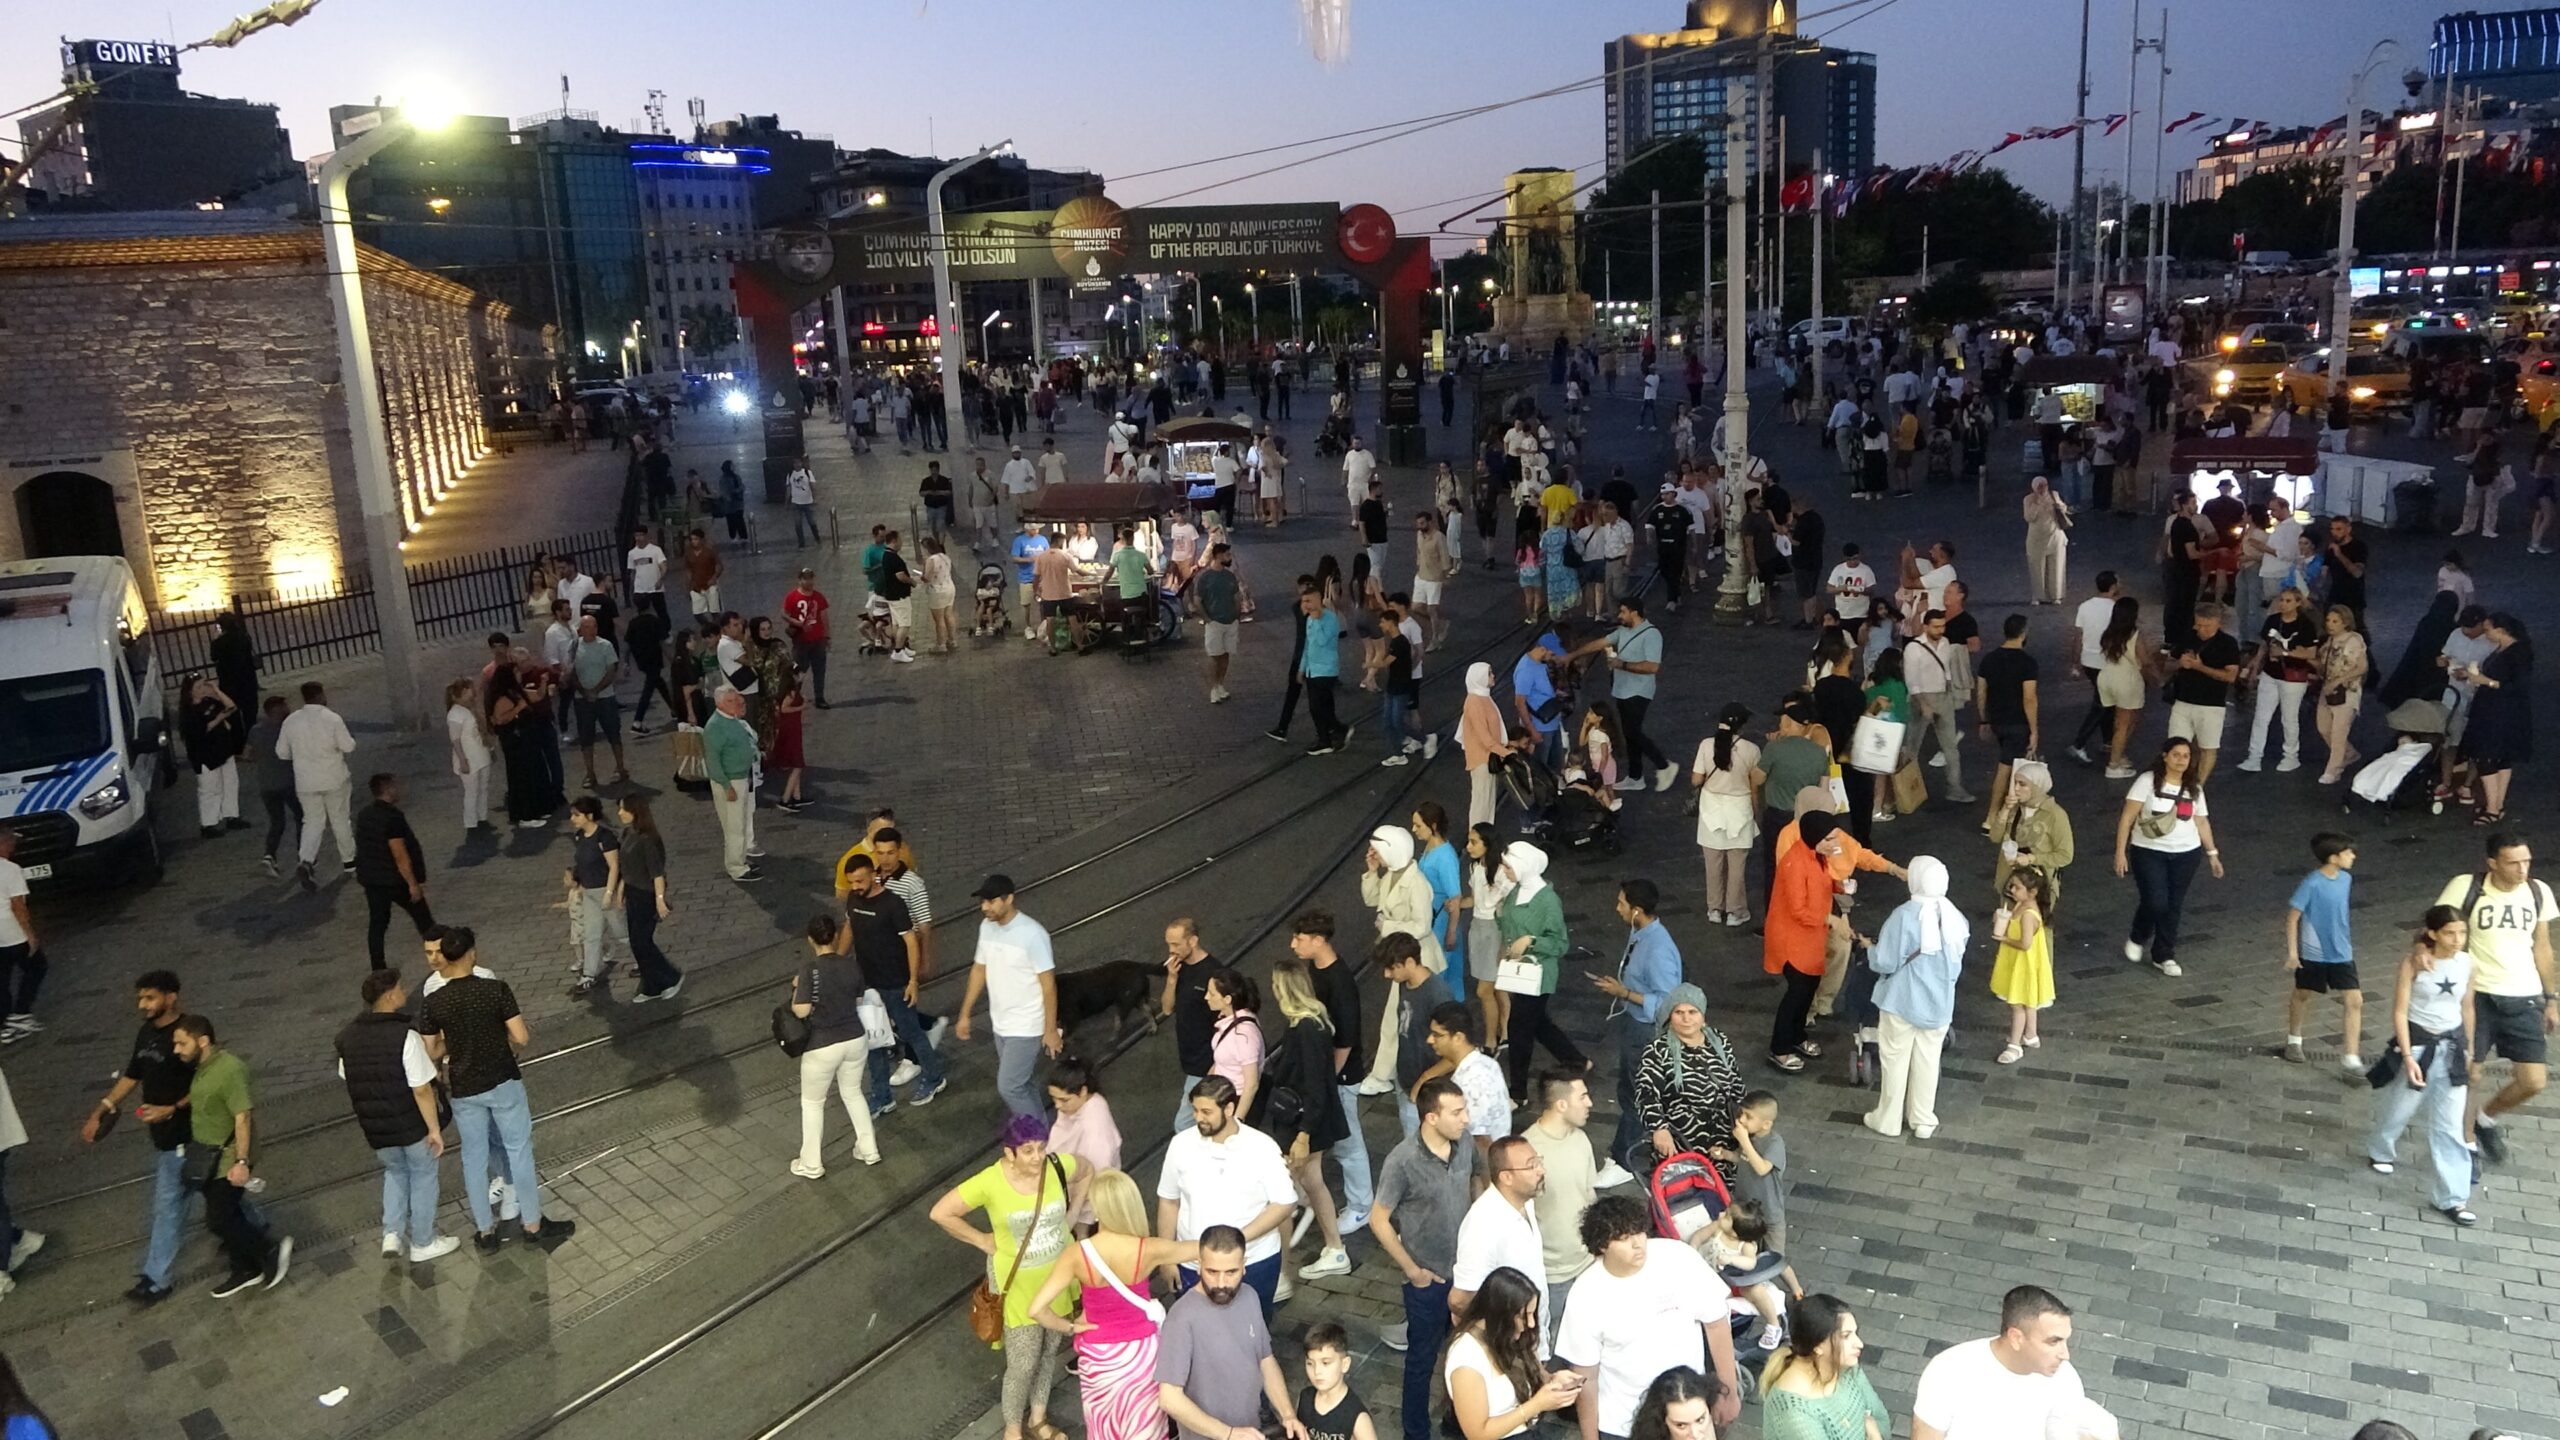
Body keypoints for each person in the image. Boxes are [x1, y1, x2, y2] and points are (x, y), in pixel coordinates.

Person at [416, 927, 574, 1251]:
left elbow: (430, 1050)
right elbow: (522, 1037)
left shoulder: (434, 1001)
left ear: (445, 957)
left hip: (464, 1086)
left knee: (474, 1159)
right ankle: (532, 1224)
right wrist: (492, 1035)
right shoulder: (496, 989)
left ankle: (486, 1233)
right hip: (502, 1080)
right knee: (519, 1151)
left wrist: (456, 1040)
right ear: (472, 953)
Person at [931, 1114, 1081, 1440]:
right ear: (1009, 1154)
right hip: (1018, 1288)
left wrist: (1071, 1216)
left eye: (1041, 1148)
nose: (1037, 1157)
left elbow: (1087, 1172)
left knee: (1047, 1353)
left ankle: (1038, 1419)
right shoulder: (990, 1181)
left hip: (1058, 1279)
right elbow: (941, 1212)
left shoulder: (1056, 1167)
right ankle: (1012, 1430)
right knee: (1023, 1363)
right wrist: (983, 1240)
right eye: (1028, 1151)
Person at [1554, 1195, 1742, 1439]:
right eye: (1623, 1239)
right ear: (1601, 1246)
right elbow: (1586, 1376)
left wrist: (1728, 1394)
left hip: (1688, 1410)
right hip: (1622, 1423)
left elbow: (1717, 1324)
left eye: (1639, 1232)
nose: (1637, 1244)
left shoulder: (1679, 1258)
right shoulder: (1585, 1294)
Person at [1027, 1169, 1195, 1440]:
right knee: (1146, 1430)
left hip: (1098, 1358)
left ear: (1098, 1208)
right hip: (1142, 1358)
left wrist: (1070, 1326)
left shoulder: (1077, 1253)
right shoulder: (1148, 1248)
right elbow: (1207, 1249)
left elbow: (1036, 1310)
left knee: (1104, 1428)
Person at [2436, 833, 2558, 1169]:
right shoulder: (2466, 886)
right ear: (2493, 863)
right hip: (2479, 995)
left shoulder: (2538, 891)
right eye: (2513, 863)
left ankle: (2484, 1118)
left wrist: (2551, 998)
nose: (2522, 869)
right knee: (2471, 1073)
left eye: (2527, 861)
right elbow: (2436, 928)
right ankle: (2466, 1144)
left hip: (2524, 995)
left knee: (2533, 1081)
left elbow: (2543, 947)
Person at [1371, 1077, 1486, 1430]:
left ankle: (1459, 1419)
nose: (1465, 1118)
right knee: (1422, 1360)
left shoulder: (1463, 1142)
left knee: (1470, 1353)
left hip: (1469, 1272)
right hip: (1429, 1280)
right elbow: (1379, 1219)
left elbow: (1478, 1178)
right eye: (1457, 1112)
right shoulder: (1402, 1161)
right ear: (1431, 1118)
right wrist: (1413, 1270)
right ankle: (1415, 1431)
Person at [77, 971, 195, 1304]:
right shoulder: (146, 1033)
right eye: (141, 998)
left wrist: (171, 1108)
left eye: (150, 998)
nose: (142, 1005)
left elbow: (206, 1083)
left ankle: (157, 1280)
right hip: (166, 1138)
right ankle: (255, 1232)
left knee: (167, 1206)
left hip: (190, 1136)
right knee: (222, 1194)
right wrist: (103, 1108)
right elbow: (133, 1075)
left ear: (171, 997)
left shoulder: (188, 1034)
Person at [2368, 905, 2481, 1226]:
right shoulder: (2413, 964)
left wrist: (2470, 1048)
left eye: (2462, 932)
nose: (2457, 939)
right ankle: (2381, 1148)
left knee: (2449, 1126)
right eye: (2450, 932)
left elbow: (2467, 1007)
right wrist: (2406, 1055)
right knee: (2400, 1107)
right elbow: (2400, 1011)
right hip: (2418, 1045)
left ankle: (2452, 1199)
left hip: (2452, 1047)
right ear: (2432, 934)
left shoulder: (2467, 963)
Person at [334, 967, 455, 1263]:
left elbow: (347, 1076)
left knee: (395, 1173)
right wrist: (434, 1130)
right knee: (423, 1175)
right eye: (400, 988)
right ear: (389, 996)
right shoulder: (405, 1036)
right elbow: (421, 1089)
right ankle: (423, 1242)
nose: (404, 992)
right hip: (409, 1123)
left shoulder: (346, 1037)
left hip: (375, 1127)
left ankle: (392, 1233)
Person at [1156, 1077, 1297, 1318]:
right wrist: (1167, 1258)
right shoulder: (1181, 1145)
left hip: (1254, 1261)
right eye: (1196, 1110)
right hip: (1192, 1261)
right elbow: (1169, 1201)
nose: (1198, 1117)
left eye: (1207, 1112)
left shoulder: (1261, 1147)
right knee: (1198, 1331)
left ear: (1229, 1109)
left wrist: (1238, 1239)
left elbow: (1284, 1202)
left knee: (1252, 1330)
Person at [171, 1016, 293, 1297]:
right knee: (230, 1213)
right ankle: (245, 1269)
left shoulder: (229, 1069)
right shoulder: (202, 1067)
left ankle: (269, 1249)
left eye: (181, 1043)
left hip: (227, 1159)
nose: (177, 1049)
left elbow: (243, 1116)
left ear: (203, 1041)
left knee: (219, 1219)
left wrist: (240, 1162)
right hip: (208, 1159)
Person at [1153, 1225, 1309, 1440]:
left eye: (1231, 1272)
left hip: (1249, 1431)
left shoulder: (1250, 1297)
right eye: (1212, 1272)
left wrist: (1287, 1414)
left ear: (1244, 1266)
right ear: (1199, 1266)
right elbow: (1169, 1398)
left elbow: (1265, 1360)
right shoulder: (1181, 1318)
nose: (1221, 1284)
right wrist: (1227, 1434)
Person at [1256, 957, 1354, 1282]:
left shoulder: (1307, 1028)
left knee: (1281, 1194)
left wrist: (1303, 1134)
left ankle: (1282, 1272)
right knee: (1313, 1181)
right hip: (1310, 1121)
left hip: (1303, 1124)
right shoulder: (1308, 1022)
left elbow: (1315, 1084)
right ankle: (1334, 1248)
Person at [1863, 856, 1966, 1137]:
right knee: (1928, 1062)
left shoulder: (1904, 916)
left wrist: (1869, 949)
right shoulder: (1956, 918)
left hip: (1901, 1001)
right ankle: (1922, 1120)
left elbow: (1885, 962)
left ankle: (1888, 1119)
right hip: (1940, 1005)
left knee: (1895, 1061)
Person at [1908, 1285, 2086, 1440]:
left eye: (2065, 1341)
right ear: (2016, 1338)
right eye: (2053, 1341)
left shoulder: (2066, 1379)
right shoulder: (1950, 1369)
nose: (2065, 1354)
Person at [2114, 738, 2223, 978]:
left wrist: (2212, 854)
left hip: (2186, 853)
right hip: (2149, 851)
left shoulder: (2194, 787)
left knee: (2173, 904)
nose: (2181, 760)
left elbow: (2201, 820)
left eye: (2185, 756)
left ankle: (2164, 954)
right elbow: (2127, 817)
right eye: (2176, 754)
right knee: (2156, 900)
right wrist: (2120, 852)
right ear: (2165, 756)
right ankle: (2139, 934)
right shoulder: (2147, 781)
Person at [957, 875, 1060, 1119]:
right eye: (983, 902)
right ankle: (1038, 1135)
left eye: (991, 902)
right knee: (1022, 1085)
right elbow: (979, 969)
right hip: (1001, 1024)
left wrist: (1050, 1030)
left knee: (1010, 1086)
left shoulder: (1033, 935)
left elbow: (1048, 986)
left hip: (1026, 1026)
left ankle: (1035, 1141)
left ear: (1009, 899)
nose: (985, 908)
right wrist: (964, 1013)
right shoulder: (987, 927)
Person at [787, 915, 882, 1176]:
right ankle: (868, 1148)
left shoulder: (809, 970)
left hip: (822, 1045)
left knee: (813, 1103)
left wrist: (798, 989)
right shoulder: (851, 965)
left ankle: (811, 1163)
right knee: (853, 1093)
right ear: (836, 936)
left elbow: (802, 1011)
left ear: (810, 940)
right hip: (855, 1038)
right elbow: (860, 1000)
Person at [1448, 1266, 1582, 1440]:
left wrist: (1552, 1381)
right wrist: (1537, 1405)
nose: (1531, 1323)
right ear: (1500, 1314)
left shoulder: (1514, 1338)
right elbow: (1477, 1434)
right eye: (1524, 1315)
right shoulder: (1466, 1360)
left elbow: (1533, 1377)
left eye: (1532, 1314)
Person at [1495, 842, 1584, 1099]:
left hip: (1538, 975)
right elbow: (1509, 927)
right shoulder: (1515, 892)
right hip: (1519, 973)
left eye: (1508, 866)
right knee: (1539, 1024)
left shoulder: (1547, 900)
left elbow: (1559, 943)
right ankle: (1577, 1060)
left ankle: (1518, 1092)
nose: (1504, 870)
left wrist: (1531, 941)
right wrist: (1500, 913)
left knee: (1519, 1028)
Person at [2280, 832, 2367, 1073]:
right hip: (2314, 953)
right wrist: (2293, 953)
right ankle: (2294, 1039)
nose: (2353, 856)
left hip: (2342, 952)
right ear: (2333, 857)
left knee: (2355, 1000)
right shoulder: (2312, 883)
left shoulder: (2346, 879)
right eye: (2348, 852)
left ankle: (2351, 1056)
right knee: (2303, 994)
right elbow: (2292, 917)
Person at [1635, 983, 1746, 1170]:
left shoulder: (1719, 1041)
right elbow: (1646, 1094)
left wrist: (1747, 1120)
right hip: (1681, 1144)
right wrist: (1659, 1129)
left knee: (1723, 1194)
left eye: (1692, 1012)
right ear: (1670, 1016)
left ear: (1703, 1016)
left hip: (1722, 1141)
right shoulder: (1658, 1050)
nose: (1686, 1019)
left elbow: (1735, 1082)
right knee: (1688, 1196)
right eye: (1679, 1012)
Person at [1766, 812, 1843, 1069]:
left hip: (1809, 937)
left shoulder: (1816, 855)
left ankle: (1796, 1036)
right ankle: (1779, 1047)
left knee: (1808, 988)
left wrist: (1840, 887)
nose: (1835, 843)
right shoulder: (1795, 863)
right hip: (1791, 940)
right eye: (1830, 838)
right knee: (1797, 992)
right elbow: (1798, 909)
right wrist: (1829, 919)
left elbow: (1822, 884)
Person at [1760, 1295, 1892, 1440]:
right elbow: (1877, 1429)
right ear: (1818, 1345)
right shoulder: (1795, 1412)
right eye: (1846, 1336)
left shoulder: (1846, 1367)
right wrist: (1874, 1435)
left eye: (1855, 1333)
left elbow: (1882, 1420)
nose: (1859, 1343)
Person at [276, 681, 357, 890]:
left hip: (306, 782)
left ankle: (306, 860)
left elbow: (282, 753)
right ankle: (350, 863)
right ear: (321, 695)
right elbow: (348, 746)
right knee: (340, 820)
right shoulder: (332, 718)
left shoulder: (291, 721)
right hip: (333, 778)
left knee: (312, 822)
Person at [352, 773, 434, 972]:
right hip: (395, 880)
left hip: (372, 879)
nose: (399, 789)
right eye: (395, 786)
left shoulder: (364, 815)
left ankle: (378, 967)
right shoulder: (392, 817)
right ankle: (442, 957)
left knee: (378, 924)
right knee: (424, 921)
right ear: (388, 790)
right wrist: (413, 883)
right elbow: (399, 853)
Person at [2455, 612, 2532, 824]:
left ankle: (2492, 807)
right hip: (2496, 709)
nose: (2485, 633)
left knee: (2486, 755)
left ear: (2501, 630)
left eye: (2488, 629)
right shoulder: (2505, 649)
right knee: (2501, 758)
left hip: (2501, 711)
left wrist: (2484, 681)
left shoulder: (2518, 653)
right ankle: (2496, 805)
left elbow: (2517, 685)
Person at [1690, 704, 1763, 925]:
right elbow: (1755, 786)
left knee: (1713, 865)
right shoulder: (1752, 750)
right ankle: (1735, 911)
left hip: (1711, 811)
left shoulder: (1706, 745)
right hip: (1739, 811)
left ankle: (1714, 909)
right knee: (1737, 867)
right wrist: (1756, 811)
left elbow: (1696, 780)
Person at [2238, 586, 2320, 774]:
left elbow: (2310, 653)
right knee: (2261, 717)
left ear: (2298, 603)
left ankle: (2291, 756)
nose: (2283, 604)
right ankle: (2254, 756)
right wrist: (2254, 669)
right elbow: (2264, 647)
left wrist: (2284, 652)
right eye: (2282, 600)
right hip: (2270, 674)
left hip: (2294, 677)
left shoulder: (2305, 625)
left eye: (2288, 600)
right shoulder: (2272, 620)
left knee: (2289, 718)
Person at [2162, 603, 2242, 784]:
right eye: (2198, 625)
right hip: (2183, 701)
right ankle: (2175, 783)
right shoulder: (2188, 637)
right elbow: (2167, 665)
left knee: (2208, 747)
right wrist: (2179, 664)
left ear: (2218, 623)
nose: (2201, 630)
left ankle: (2198, 786)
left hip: (2211, 705)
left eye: (2207, 626)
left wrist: (2200, 667)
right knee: (2176, 744)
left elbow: (2230, 676)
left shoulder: (2228, 644)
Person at [702, 689, 761, 883]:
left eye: (736, 699)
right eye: (731, 700)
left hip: (740, 778)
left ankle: (741, 859)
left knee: (741, 823)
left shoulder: (731, 719)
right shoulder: (715, 727)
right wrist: (727, 787)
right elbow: (713, 762)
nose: (736, 703)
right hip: (730, 782)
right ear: (719, 704)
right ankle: (736, 868)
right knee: (734, 827)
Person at [178, 673, 246, 840]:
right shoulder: (188, 712)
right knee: (210, 790)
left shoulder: (209, 702)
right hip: (205, 755)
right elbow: (199, 731)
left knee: (230, 783)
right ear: (189, 691)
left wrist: (216, 690)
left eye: (203, 685)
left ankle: (232, 815)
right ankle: (208, 824)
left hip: (223, 750)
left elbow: (231, 707)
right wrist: (220, 718)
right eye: (198, 687)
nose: (202, 690)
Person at [2092, 597, 2153, 779]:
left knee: (2124, 721)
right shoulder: (2134, 634)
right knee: (2124, 724)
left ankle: (2119, 755)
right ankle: (2113, 764)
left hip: (2107, 677)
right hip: (2127, 680)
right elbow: (2145, 660)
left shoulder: (2109, 633)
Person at [2313, 603, 2369, 785]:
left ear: (2345, 622)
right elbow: (2323, 669)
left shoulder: (2354, 640)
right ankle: (2349, 753)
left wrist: (2338, 680)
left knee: (2339, 731)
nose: (2330, 624)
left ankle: (2333, 769)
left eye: (2335, 621)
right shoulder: (2327, 643)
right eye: (2329, 620)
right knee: (2324, 727)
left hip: (2347, 691)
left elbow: (2362, 667)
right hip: (2328, 689)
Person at [1459, 664, 1512, 829]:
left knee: (1487, 801)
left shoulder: (1484, 697)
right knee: (1481, 802)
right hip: (1482, 759)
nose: (1493, 675)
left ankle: (1484, 837)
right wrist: (1506, 752)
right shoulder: (1475, 702)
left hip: (1489, 758)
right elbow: (1484, 737)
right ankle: (1476, 837)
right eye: (1489, 673)